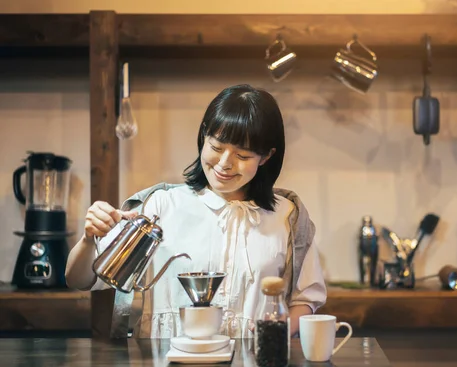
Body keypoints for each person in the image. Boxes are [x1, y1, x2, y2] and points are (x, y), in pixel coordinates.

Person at [65, 84, 327, 339]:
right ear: (204, 135)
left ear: (266, 156)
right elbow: (79, 279)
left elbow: (305, 299)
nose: (224, 164)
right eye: (216, 147)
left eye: (243, 156)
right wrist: (89, 239)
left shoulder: (288, 217)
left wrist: (277, 327)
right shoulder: (160, 206)